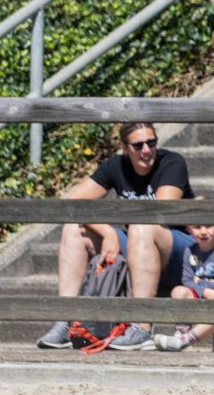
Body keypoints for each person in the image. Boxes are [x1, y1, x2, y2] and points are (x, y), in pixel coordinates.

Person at [36, 121, 197, 351]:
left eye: (151, 143)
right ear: (124, 147)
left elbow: (160, 212)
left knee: (142, 226)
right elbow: (73, 203)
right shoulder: (116, 166)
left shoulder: (172, 162)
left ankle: (141, 326)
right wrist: (107, 231)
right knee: (73, 227)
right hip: (137, 244)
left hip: (179, 252)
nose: (146, 150)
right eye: (138, 145)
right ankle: (66, 320)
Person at [154, 222, 214, 352]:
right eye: (197, 227)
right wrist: (204, 290)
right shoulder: (190, 251)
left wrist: (198, 281)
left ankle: (183, 341)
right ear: (188, 228)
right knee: (179, 291)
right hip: (203, 296)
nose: (203, 231)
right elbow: (186, 281)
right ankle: (182, 332)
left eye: (209, 226)